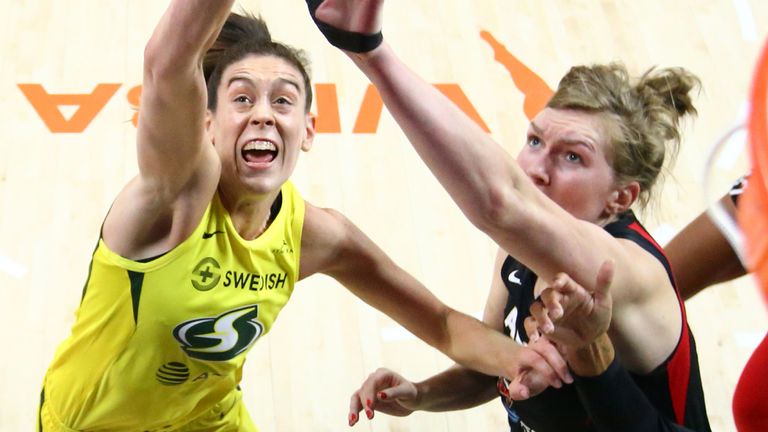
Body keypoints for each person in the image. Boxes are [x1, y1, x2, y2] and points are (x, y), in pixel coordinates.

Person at [37, 2, 573, 431]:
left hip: (208, 419)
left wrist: (514, 358)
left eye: (283, 101)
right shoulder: (175, 197)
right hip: (92, 423)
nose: (264, 113)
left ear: (309, 131)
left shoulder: (317, 235)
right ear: (207, 125)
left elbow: (439, 324)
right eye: (242, 99)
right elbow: (166, 60)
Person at [305, 1, 711, 430]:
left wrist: (371, 54)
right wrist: (422, 394)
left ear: (620, 197)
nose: (536, 169)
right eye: (534, 141)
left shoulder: (625, 271)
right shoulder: (518, 252)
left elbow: (501, 204)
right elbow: (494, 361)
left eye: (572, 156)